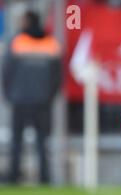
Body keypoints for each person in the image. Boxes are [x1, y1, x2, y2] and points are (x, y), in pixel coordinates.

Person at [2, 10, 62, 184]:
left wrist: (9, 94)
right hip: (42, 101)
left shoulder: (17, 42)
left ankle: (13, 177)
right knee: (42, 142)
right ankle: (44, 178)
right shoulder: (51, 43)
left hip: (19, 99)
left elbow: (7, 72)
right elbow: (57, 76)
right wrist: (50, 96)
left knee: (16, 142)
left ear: (27, 22)